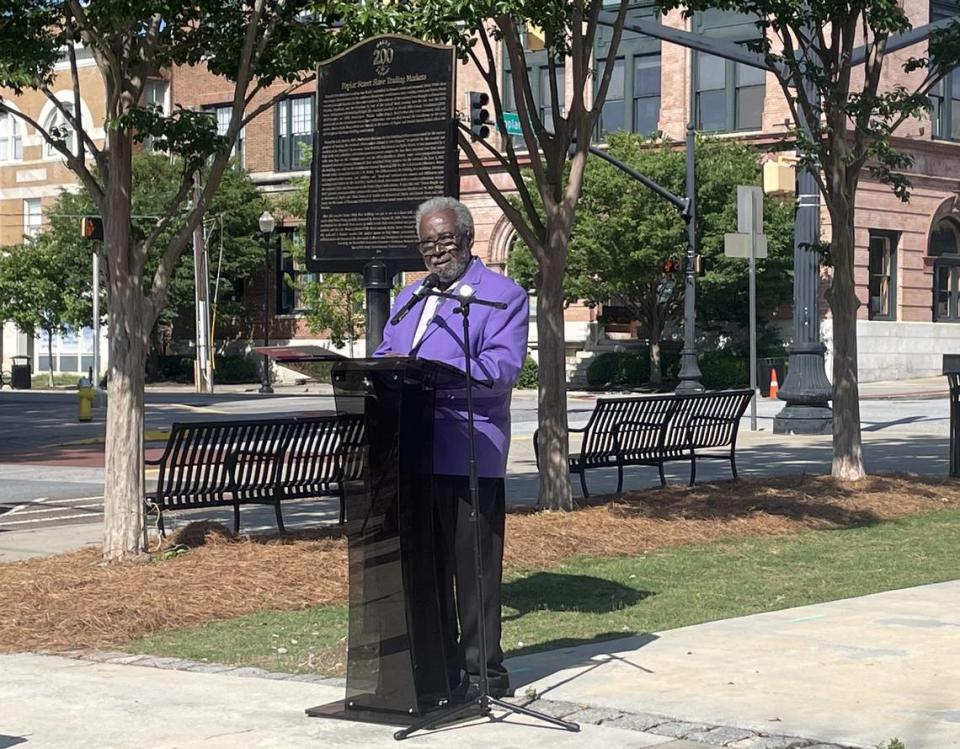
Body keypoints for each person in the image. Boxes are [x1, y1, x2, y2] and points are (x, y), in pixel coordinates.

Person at [375, 196, 529, 700]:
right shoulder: (409, 298)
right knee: (429, 568)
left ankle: (485, 675)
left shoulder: (500, 295)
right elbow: (384, 354)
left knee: (474, 571)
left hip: (469, 452)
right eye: (426, 244)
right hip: (414, 453)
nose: (436, 252)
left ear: (466, 238)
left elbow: (501, 370)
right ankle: (439, 669)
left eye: (444, 241)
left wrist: (434, 377)